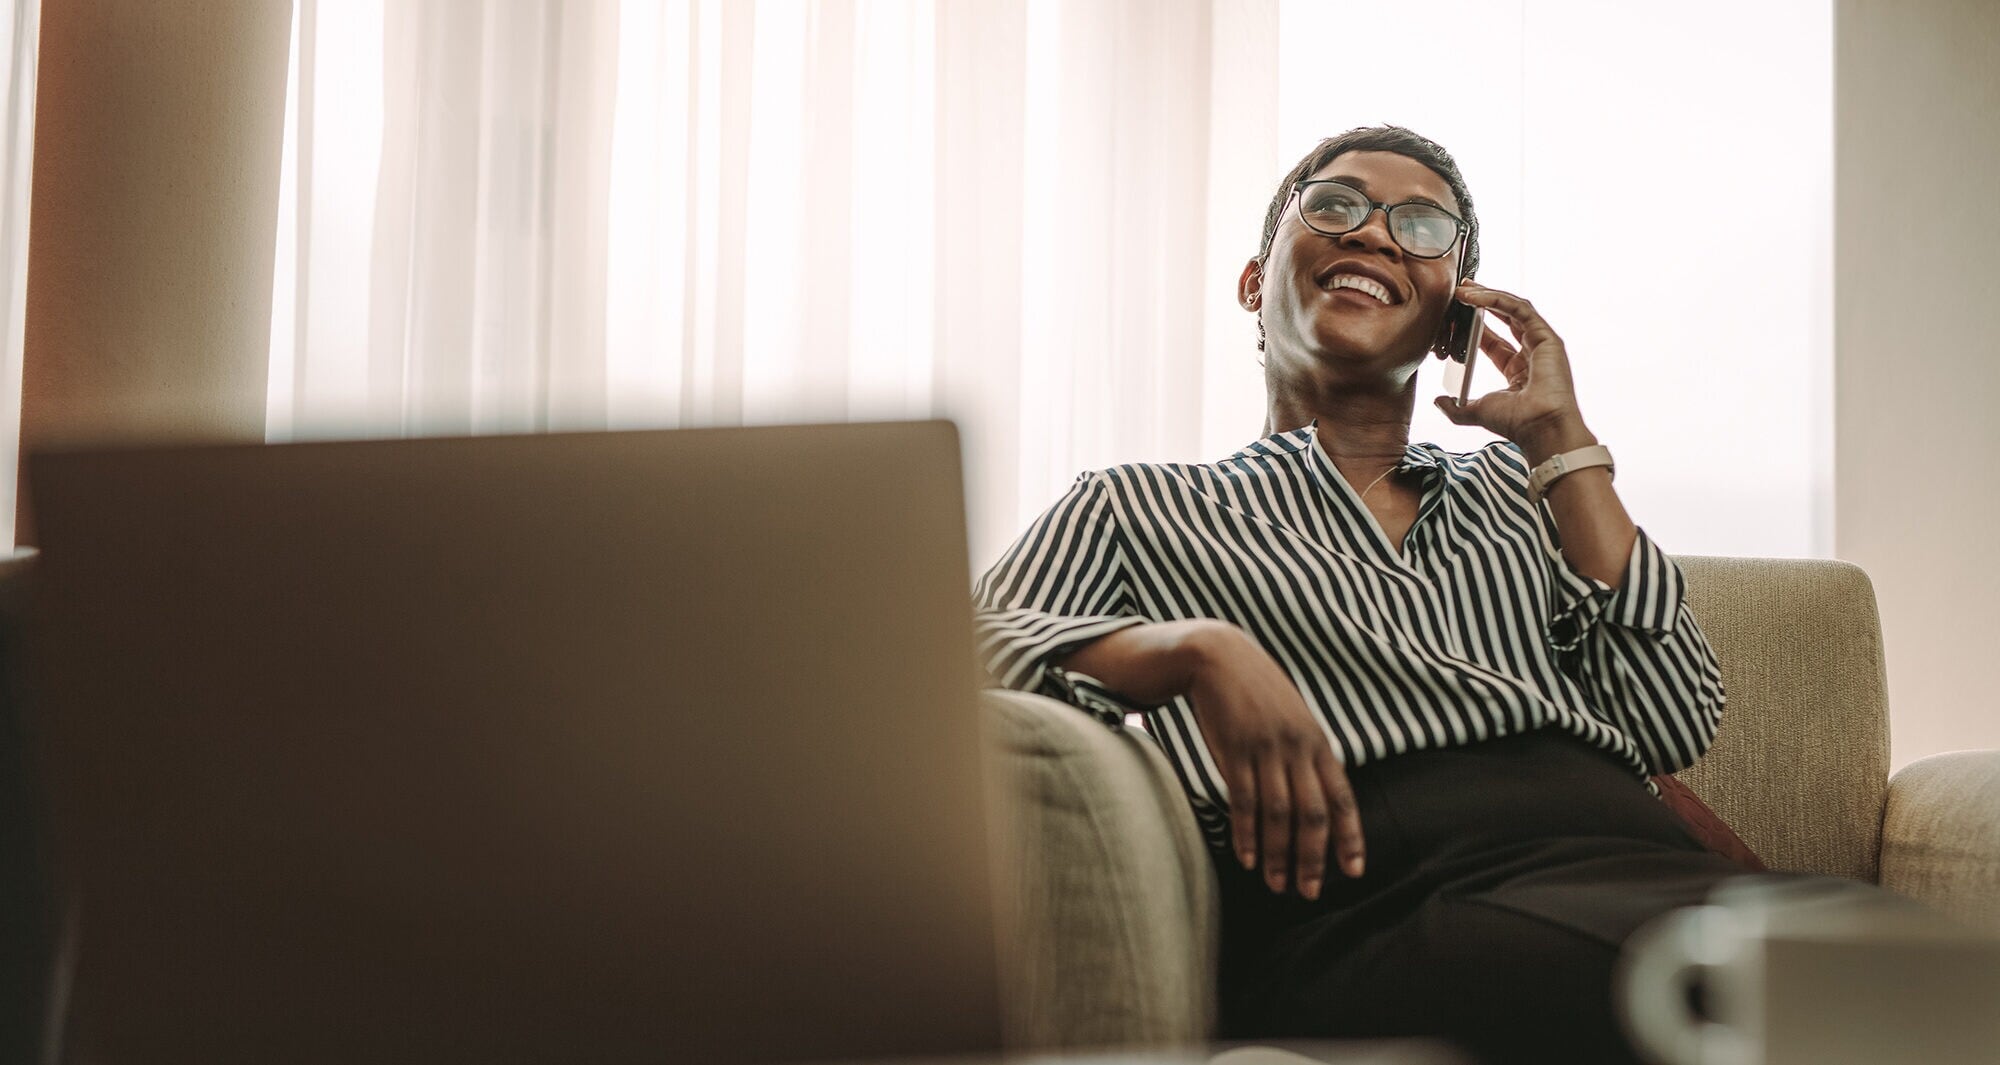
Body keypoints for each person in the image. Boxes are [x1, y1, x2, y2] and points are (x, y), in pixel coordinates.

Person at [971, 125, 1864, 1064]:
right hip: (1382, 900)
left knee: (1916, 963)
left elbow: (1674, 715)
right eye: (1335, 207)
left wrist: (1562, 441)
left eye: (1422, 225)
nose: (1377, 235)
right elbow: (957, 655)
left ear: (1454, 325)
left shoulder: (1524, 497)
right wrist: (1195, 649)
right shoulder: (1139, 504)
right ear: (1252, 281)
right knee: (1788, 992)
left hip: (1632, 862)